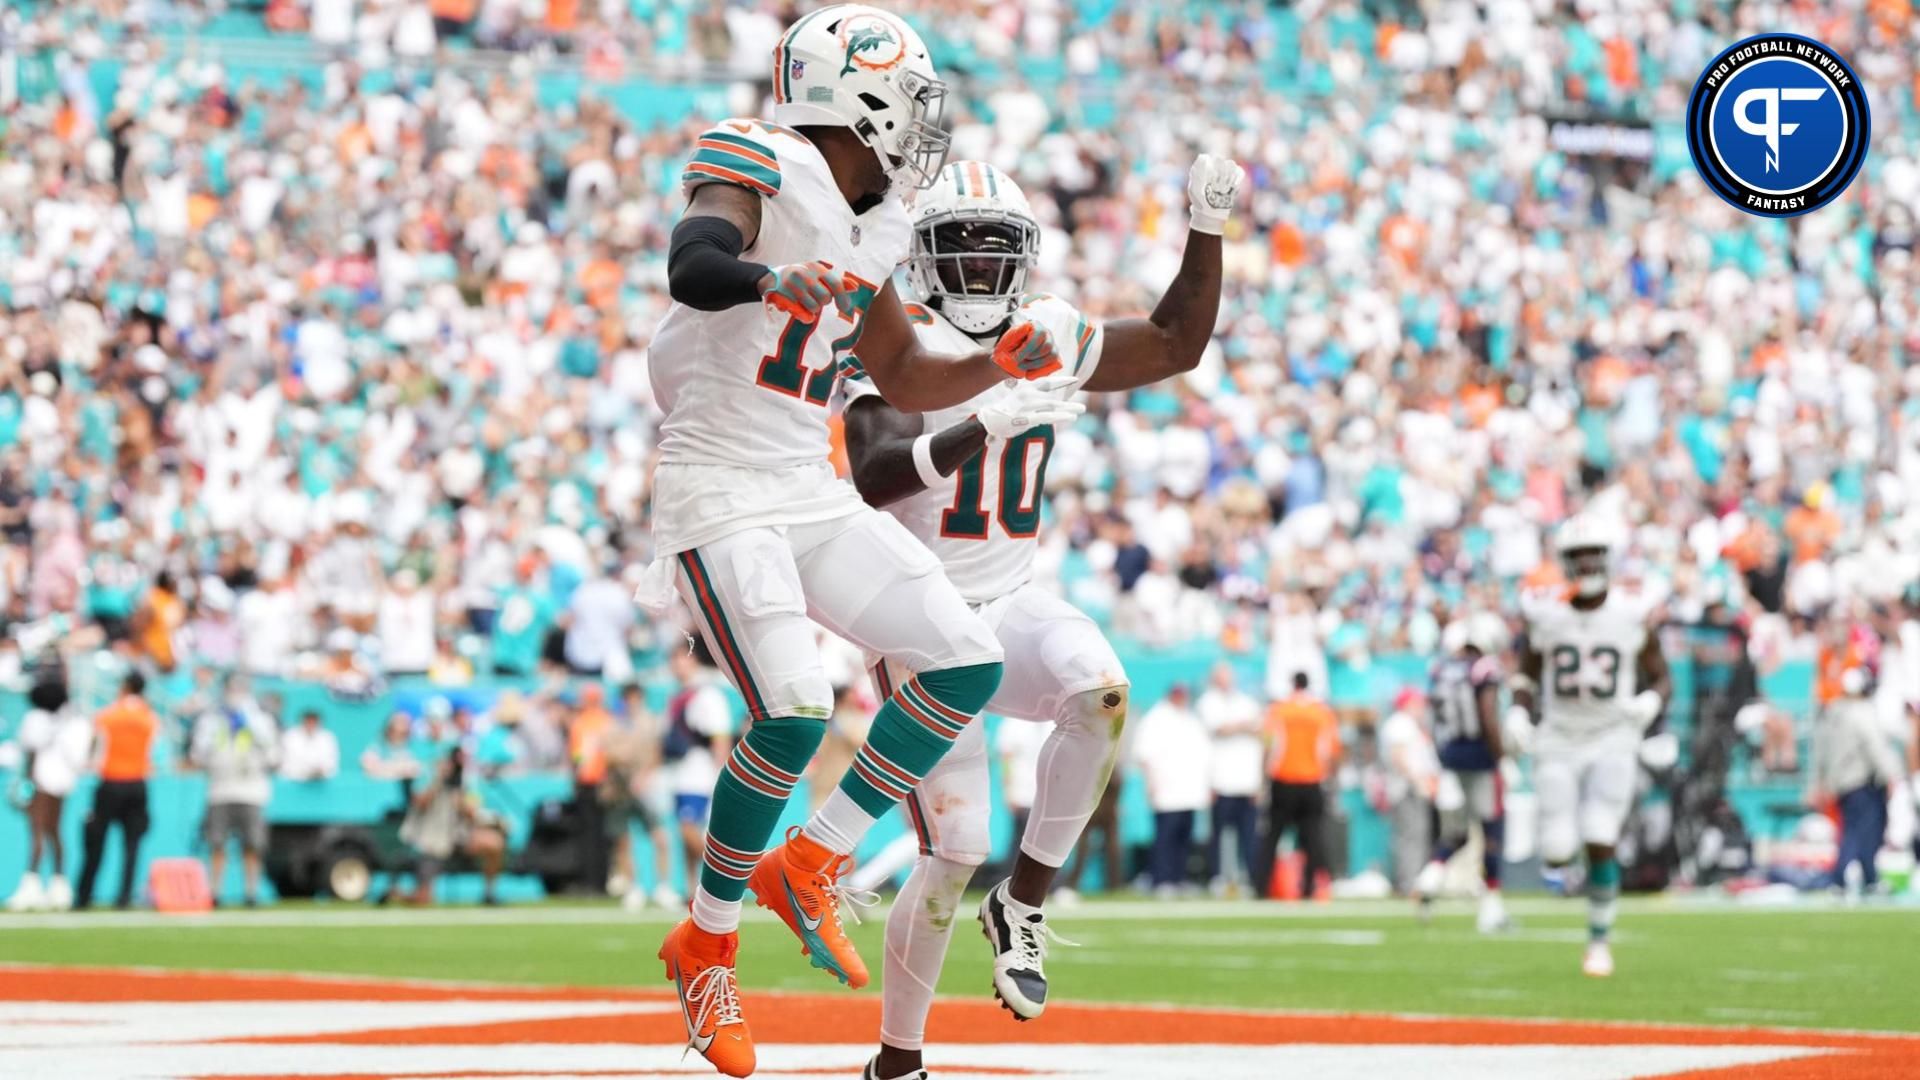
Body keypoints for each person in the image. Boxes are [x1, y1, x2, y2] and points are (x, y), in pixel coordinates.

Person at [646, 9, 1062, 1072]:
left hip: (804, 479)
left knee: (962, 657)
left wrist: (1000, 363)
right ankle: (707, 942)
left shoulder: (885, 218)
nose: (924, 124)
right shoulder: (766, 159)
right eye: (911, 98)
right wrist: (765, 279)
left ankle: (814, 859)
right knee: (793, 708)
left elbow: (911, 376)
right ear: (852, 92)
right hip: (718, 483)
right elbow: (694, 261)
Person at [839, 153, 1240, 1077]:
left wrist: (1206, 228)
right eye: (961, 251)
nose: (980, 271)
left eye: (996, 253)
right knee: (951, 854)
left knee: (1099, 690)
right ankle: (898, 1061)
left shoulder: (1050, 327)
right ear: (922, 258)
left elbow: (1177, 343)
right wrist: (985, 420)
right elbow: (873, 472)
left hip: (1010, 597)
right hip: (919, 615)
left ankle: (1024, 901)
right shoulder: (895, 333)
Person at [1514, 515, 1671, 978]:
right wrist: (1519, 710)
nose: (1586, 563)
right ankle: (1569, 874)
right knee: (1559, 847)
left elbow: (1660, 675)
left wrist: (1649, 701)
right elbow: (1525, 673)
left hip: (1612, 736)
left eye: (1593, 554)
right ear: (1564, 562)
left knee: (1601, 834)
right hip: (1559, 737)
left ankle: (1599, 943)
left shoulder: (1629, 612)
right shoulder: (1546, 614)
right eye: (1577, 556)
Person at [1415, 613, 1513, 933]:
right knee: (1492, 830)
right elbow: (1487, 714)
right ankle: (1492, 907)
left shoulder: (1441, 668)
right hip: (1479, 756)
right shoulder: (1483, 669)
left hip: (1449, 756)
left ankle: (1430, 876)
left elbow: (1433, 715)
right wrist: (1500, 756)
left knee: (1457, 829)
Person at [1809, 667, 1907, 897]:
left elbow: (1820, 752)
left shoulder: (1832, 713)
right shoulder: (1861, 711)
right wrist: (1892, 774)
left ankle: (1859, 878)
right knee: (1864, 833)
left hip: (1842, 783)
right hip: (1862, 782)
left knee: (1853, 831)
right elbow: (1876, 746)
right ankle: (1849, 878)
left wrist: (1821, 781)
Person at [189, 675, 280, 907]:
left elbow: (272, 754)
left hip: (251, 789)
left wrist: (248, 725)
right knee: (217, 844)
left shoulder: (260, 719)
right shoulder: (211, 719)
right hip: (220, 788)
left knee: (253, 845)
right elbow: (197, 755)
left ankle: (251, 892)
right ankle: (214, 892)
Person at [5, 675, 92, 912]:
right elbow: (81, 755)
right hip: (63, 783)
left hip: (41, 782)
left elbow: (29, 749)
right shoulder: (73, 721)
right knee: (54, 831)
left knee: (38, 832)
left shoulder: (36, 719)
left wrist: (26, 780)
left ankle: (31, 883)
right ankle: (59, 884)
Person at [75, 672, 158, 910]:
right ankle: (124, 896)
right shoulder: (149, 718)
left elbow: (94, 750)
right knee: (132, 844)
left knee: (96, 842)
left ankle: (84, 895)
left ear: (124, 687)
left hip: (110, 781)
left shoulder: (108, 716)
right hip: (137, 783)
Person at [663, 643, 736, 899]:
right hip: (682, 770)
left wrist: (721, 773)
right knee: (684, 833)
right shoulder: (681, 694)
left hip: (700, 770)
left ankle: (723, 878)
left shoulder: (706, 694)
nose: (676, 664)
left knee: (689, 827)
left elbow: (720, 736)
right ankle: (692, 888)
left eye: (680, 657)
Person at [1259, 672, 1340, 899]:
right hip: (1312, 780)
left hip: (1283, 779)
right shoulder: (1321, 713)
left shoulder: (1279, 711)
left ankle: (1261, 887)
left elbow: (1268, 744)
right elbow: (1332, 750)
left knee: (1272, 837)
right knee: (1312, 837)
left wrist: (1262, 778)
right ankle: (1308, 887)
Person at [394, 746, 506, 905]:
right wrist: (438, 780)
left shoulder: (464, 781)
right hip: (430, 843)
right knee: (423, 900)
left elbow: (471, 812)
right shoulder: (426, 776)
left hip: (456, 838)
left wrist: (462, 801)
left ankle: (489, 892)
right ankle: (397, 894)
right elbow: (420, 803)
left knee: (494, 843)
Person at [1131, 684, 1211, 898]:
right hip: (1167, 788)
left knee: (1184, 837)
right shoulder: (1155, 719)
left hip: (1189, 789)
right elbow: (1144, 754)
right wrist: (1151, 782)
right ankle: (1162, 878)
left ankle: (1179, 877)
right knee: (1166, 836)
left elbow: (1202, 754)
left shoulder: (1191, 720)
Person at [1198, 662, 1264, 895]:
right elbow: (1219, 729)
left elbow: (1259, 733)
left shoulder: (1246, 702)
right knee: (1219, 834)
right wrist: (1242, 726)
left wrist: (1260, 783)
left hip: (1247, 782)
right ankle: (1219, 877)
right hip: (1221, 780)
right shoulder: (1208, 702)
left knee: (1249, 834)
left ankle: (1249, 878)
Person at [1378, 688, 1439, 899]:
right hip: (1406, 789)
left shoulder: (1408, 724)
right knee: (1410, 837)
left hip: (1410, 787)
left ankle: (1412, 881)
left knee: (1415, 835)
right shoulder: (1400, 724)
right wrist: (1417, 780)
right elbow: (1399, 756)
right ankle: (1409, 883)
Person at [568, 684, 616, 894]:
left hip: (590, 781)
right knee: (601, 835)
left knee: (591, 834)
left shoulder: (581, 722)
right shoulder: (607, 721)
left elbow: (576, 755)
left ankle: (592, 881)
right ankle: (600, 881)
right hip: (600, 782)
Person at [280, 709, 341, 781]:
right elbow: (286, 760)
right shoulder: (290, 736)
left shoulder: (327, 737)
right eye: (308, 721)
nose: (311, 724)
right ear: (302, 721)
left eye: (314, 722)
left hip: (321, 781)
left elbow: (331, 759)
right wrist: (305, 771)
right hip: (294, 779)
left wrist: (320, 770)